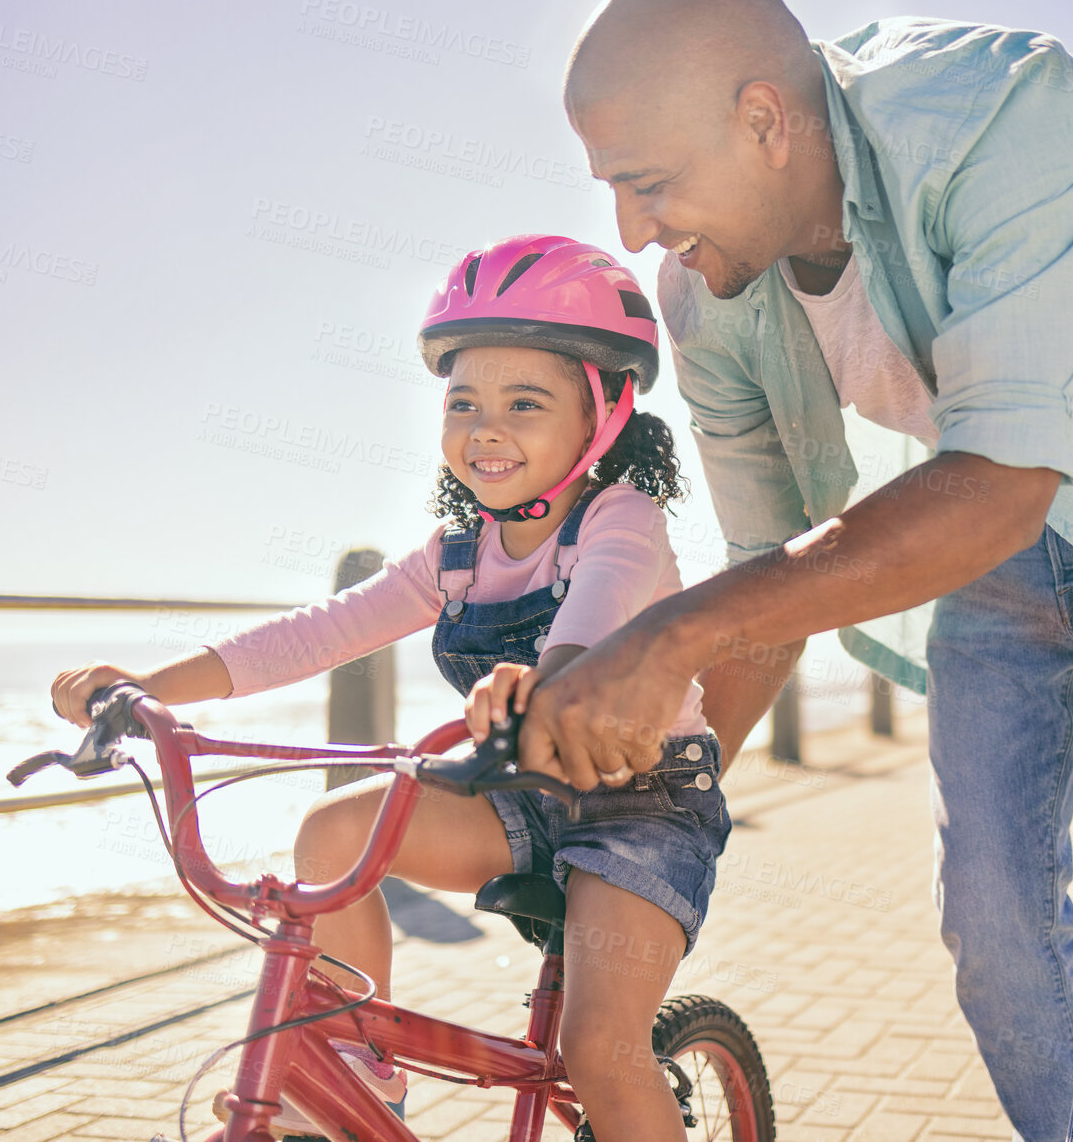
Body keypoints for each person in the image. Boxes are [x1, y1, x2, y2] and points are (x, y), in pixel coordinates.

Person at [514, 0, 1073, 1140]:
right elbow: (763, 582)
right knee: (990, 919)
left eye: (648, 181)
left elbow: (1005, 478)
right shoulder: (705, 297)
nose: (630, 229)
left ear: (765, 120)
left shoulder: (996, 112)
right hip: (1000, 563)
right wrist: (647, 818)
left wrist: (661, 637)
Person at [49, 234, 725, 1142]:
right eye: (464, 402)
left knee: (600, 1048)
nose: (485, 428)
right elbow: (315, 631)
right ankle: (362, 1071)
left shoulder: (621, 520)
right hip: (520, 790)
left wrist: (545, 681)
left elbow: (592, 619)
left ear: (603, 411)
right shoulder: (455, 556)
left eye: (525, 402)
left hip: (642, 803)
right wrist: (148, 688)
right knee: (332, 830)